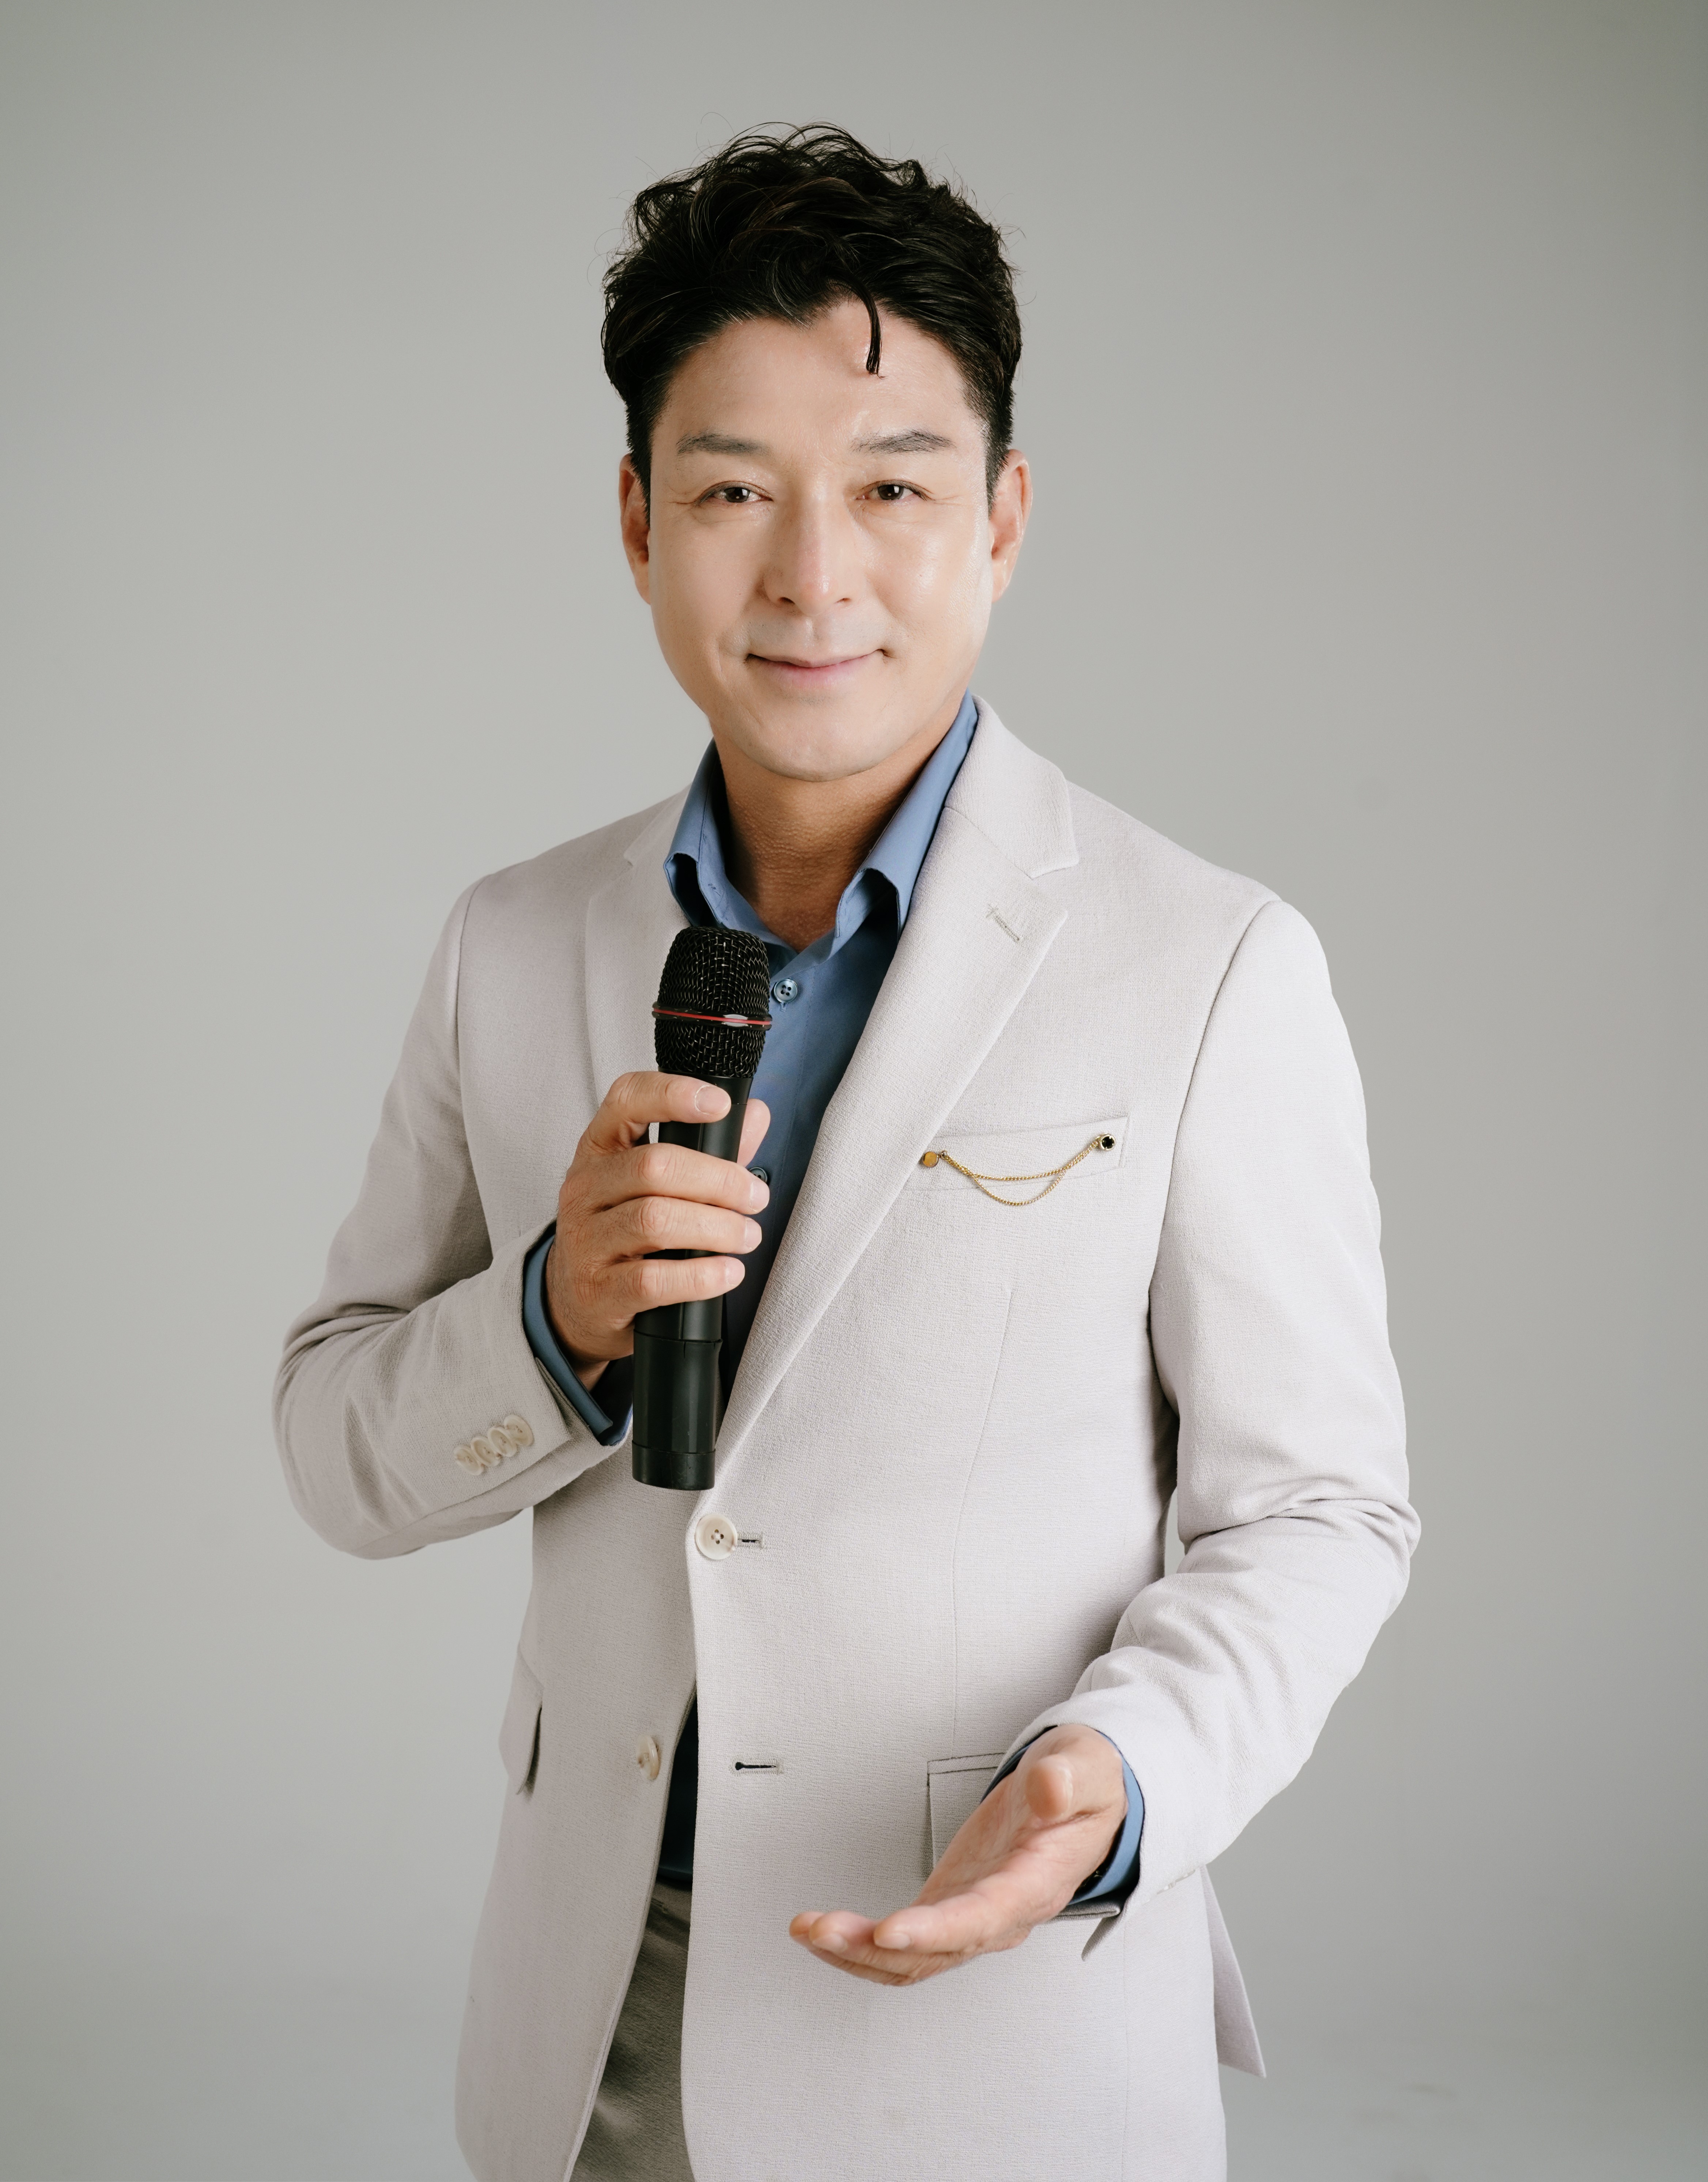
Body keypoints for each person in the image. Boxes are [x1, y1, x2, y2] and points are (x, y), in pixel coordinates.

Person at [275, 125, 1416, 2182]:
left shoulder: (1208, 961)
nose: (813, 575)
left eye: (893, 486)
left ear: (1004, 518)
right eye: (734, 491)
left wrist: (1127, 1770)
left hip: (989, 2007)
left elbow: (1319, 1507)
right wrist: (551, 1326)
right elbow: (335, 1440)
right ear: (639, 521)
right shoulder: (509, 943)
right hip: (586, 2024)